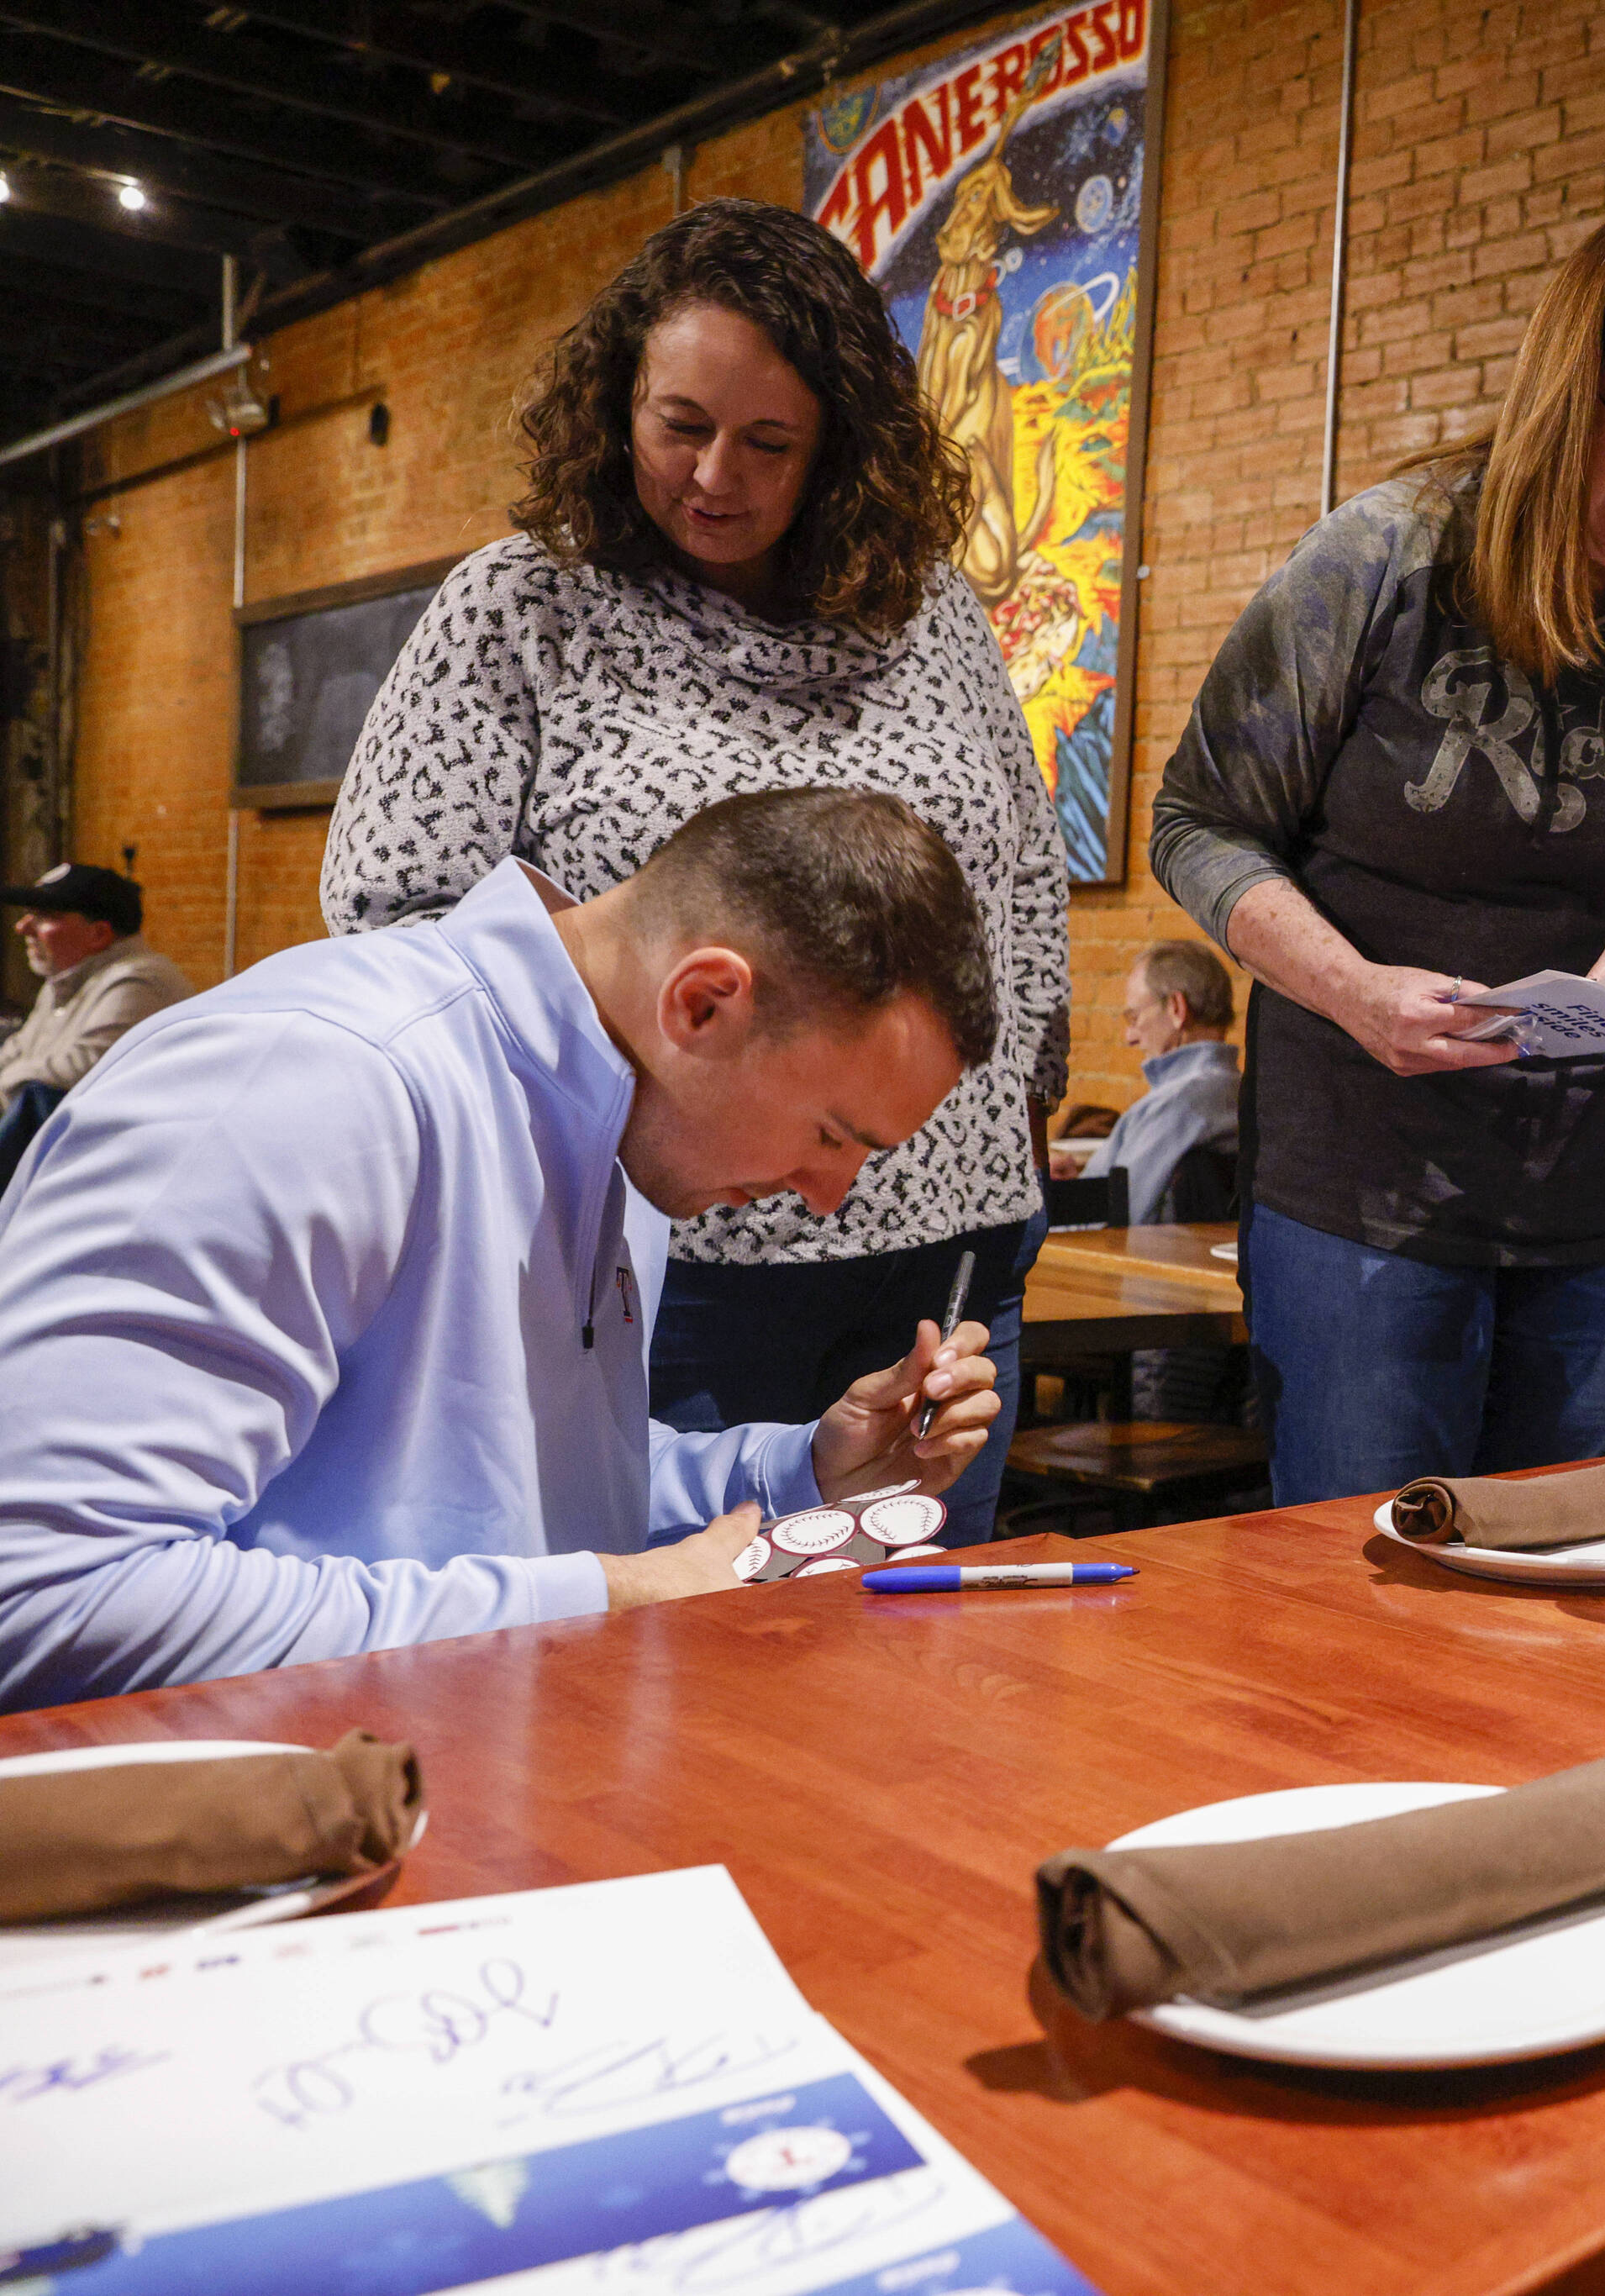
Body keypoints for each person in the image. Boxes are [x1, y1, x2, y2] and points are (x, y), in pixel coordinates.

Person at [318, 197, 1070, 1547]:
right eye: (681, 426)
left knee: (913, 1638)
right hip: (666, 1254)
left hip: (946, 1244)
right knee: (668, 1626)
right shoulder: (525, 602)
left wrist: (1024, 1116)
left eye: (770, 443)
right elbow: (396, 911)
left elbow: (1020, 879)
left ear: (840, 448)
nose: (716, 475)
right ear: (620, 406)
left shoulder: (933, 611)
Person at [0, 789, 1006, 1713]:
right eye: (832, 1135)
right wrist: (603, 1596)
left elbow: (505, 1494)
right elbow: (45, 1596)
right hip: (269, 1814)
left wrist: (803, 1471)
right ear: (702, 1002)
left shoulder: (620, 1118)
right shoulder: (313, 1081)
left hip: (488, 1774)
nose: (830, 1196)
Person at [1151, 205, 1605, 1505]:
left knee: (1570, 1576)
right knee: (1362, 1577)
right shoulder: (1384, 558)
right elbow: (1199, 824)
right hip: (1369, 1196)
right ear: (1563, 393)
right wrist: (1353, 989)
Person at [0, 863, 189, 1190]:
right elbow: (16, 1053)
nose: (22, 927)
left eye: (44, 916)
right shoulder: (64, 984)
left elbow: (73, 1079)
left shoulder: (140, 981)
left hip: (115, 1183)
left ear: (99, 934)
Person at [1052, 939, 1241, 1223]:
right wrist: (1082, 1187)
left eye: (1134, 1017)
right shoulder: (1242, 1094)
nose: (1130, 1037)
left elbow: (1111, 1222)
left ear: (1176, 1008)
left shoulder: (1176, 1106)